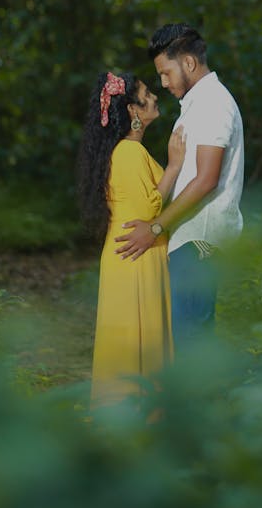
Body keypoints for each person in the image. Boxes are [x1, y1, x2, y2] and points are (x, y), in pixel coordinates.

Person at [115, 24, 244, 344]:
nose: (163, 82)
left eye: (165, 72)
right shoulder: (198, 104)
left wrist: (155, 228)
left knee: (189, 344)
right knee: (182, 342)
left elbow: (206, 180)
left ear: (188, 63)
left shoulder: (214, 102)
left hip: (198, 240)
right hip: (187, 238)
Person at [77, 70, 185, 408]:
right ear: (134, 112)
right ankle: (137, 422)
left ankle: (127, 421)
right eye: (146, 94)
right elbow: (148, 209)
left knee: (130, 341)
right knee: (139, 342)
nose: (154, 97)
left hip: (130, 255)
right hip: (137, 256)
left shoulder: (127, 152)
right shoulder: (129, 153)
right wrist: (174, 166)